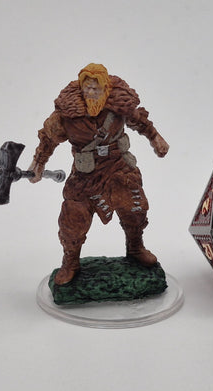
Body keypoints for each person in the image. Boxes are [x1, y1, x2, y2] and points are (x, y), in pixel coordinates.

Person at [28, 63, 169, 285]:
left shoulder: (119, 107)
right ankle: (70, 261)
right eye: (87, 88)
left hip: (119, 167)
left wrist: (156, 138)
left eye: (96, 88)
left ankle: (135, 247)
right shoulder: (66, 115)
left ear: (106, 88)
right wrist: (38, 163)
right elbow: (48, 137)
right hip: (85, 175)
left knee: (135, 208)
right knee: (73, 218)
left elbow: (140, 121)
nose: (91, 92)